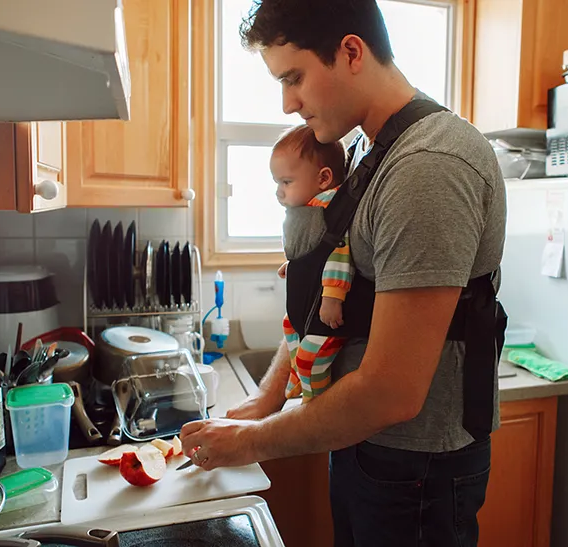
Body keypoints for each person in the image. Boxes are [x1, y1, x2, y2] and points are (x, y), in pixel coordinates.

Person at [180, 1, 507, 545]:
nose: (288, 103)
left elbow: (391, 393)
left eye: (294, 78)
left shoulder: (429, 166)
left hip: (417, 471)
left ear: (351, 51)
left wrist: (253, 440)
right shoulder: (365, 153)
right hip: (364, 446)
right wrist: (269, 396)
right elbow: (328, 301)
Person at [270, 124, 352, 402]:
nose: (278, 193)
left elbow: (340, 252)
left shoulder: (329, 210)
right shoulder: (309, 210)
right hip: (307, 304)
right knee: (290, 327)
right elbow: (312, 250)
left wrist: (333, 295)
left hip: (326, 310)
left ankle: (314, 400)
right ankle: (297, 381)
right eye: (276, 183)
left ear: (323, 178)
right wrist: (295, 266)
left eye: (286, 182)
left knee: (308, 357)